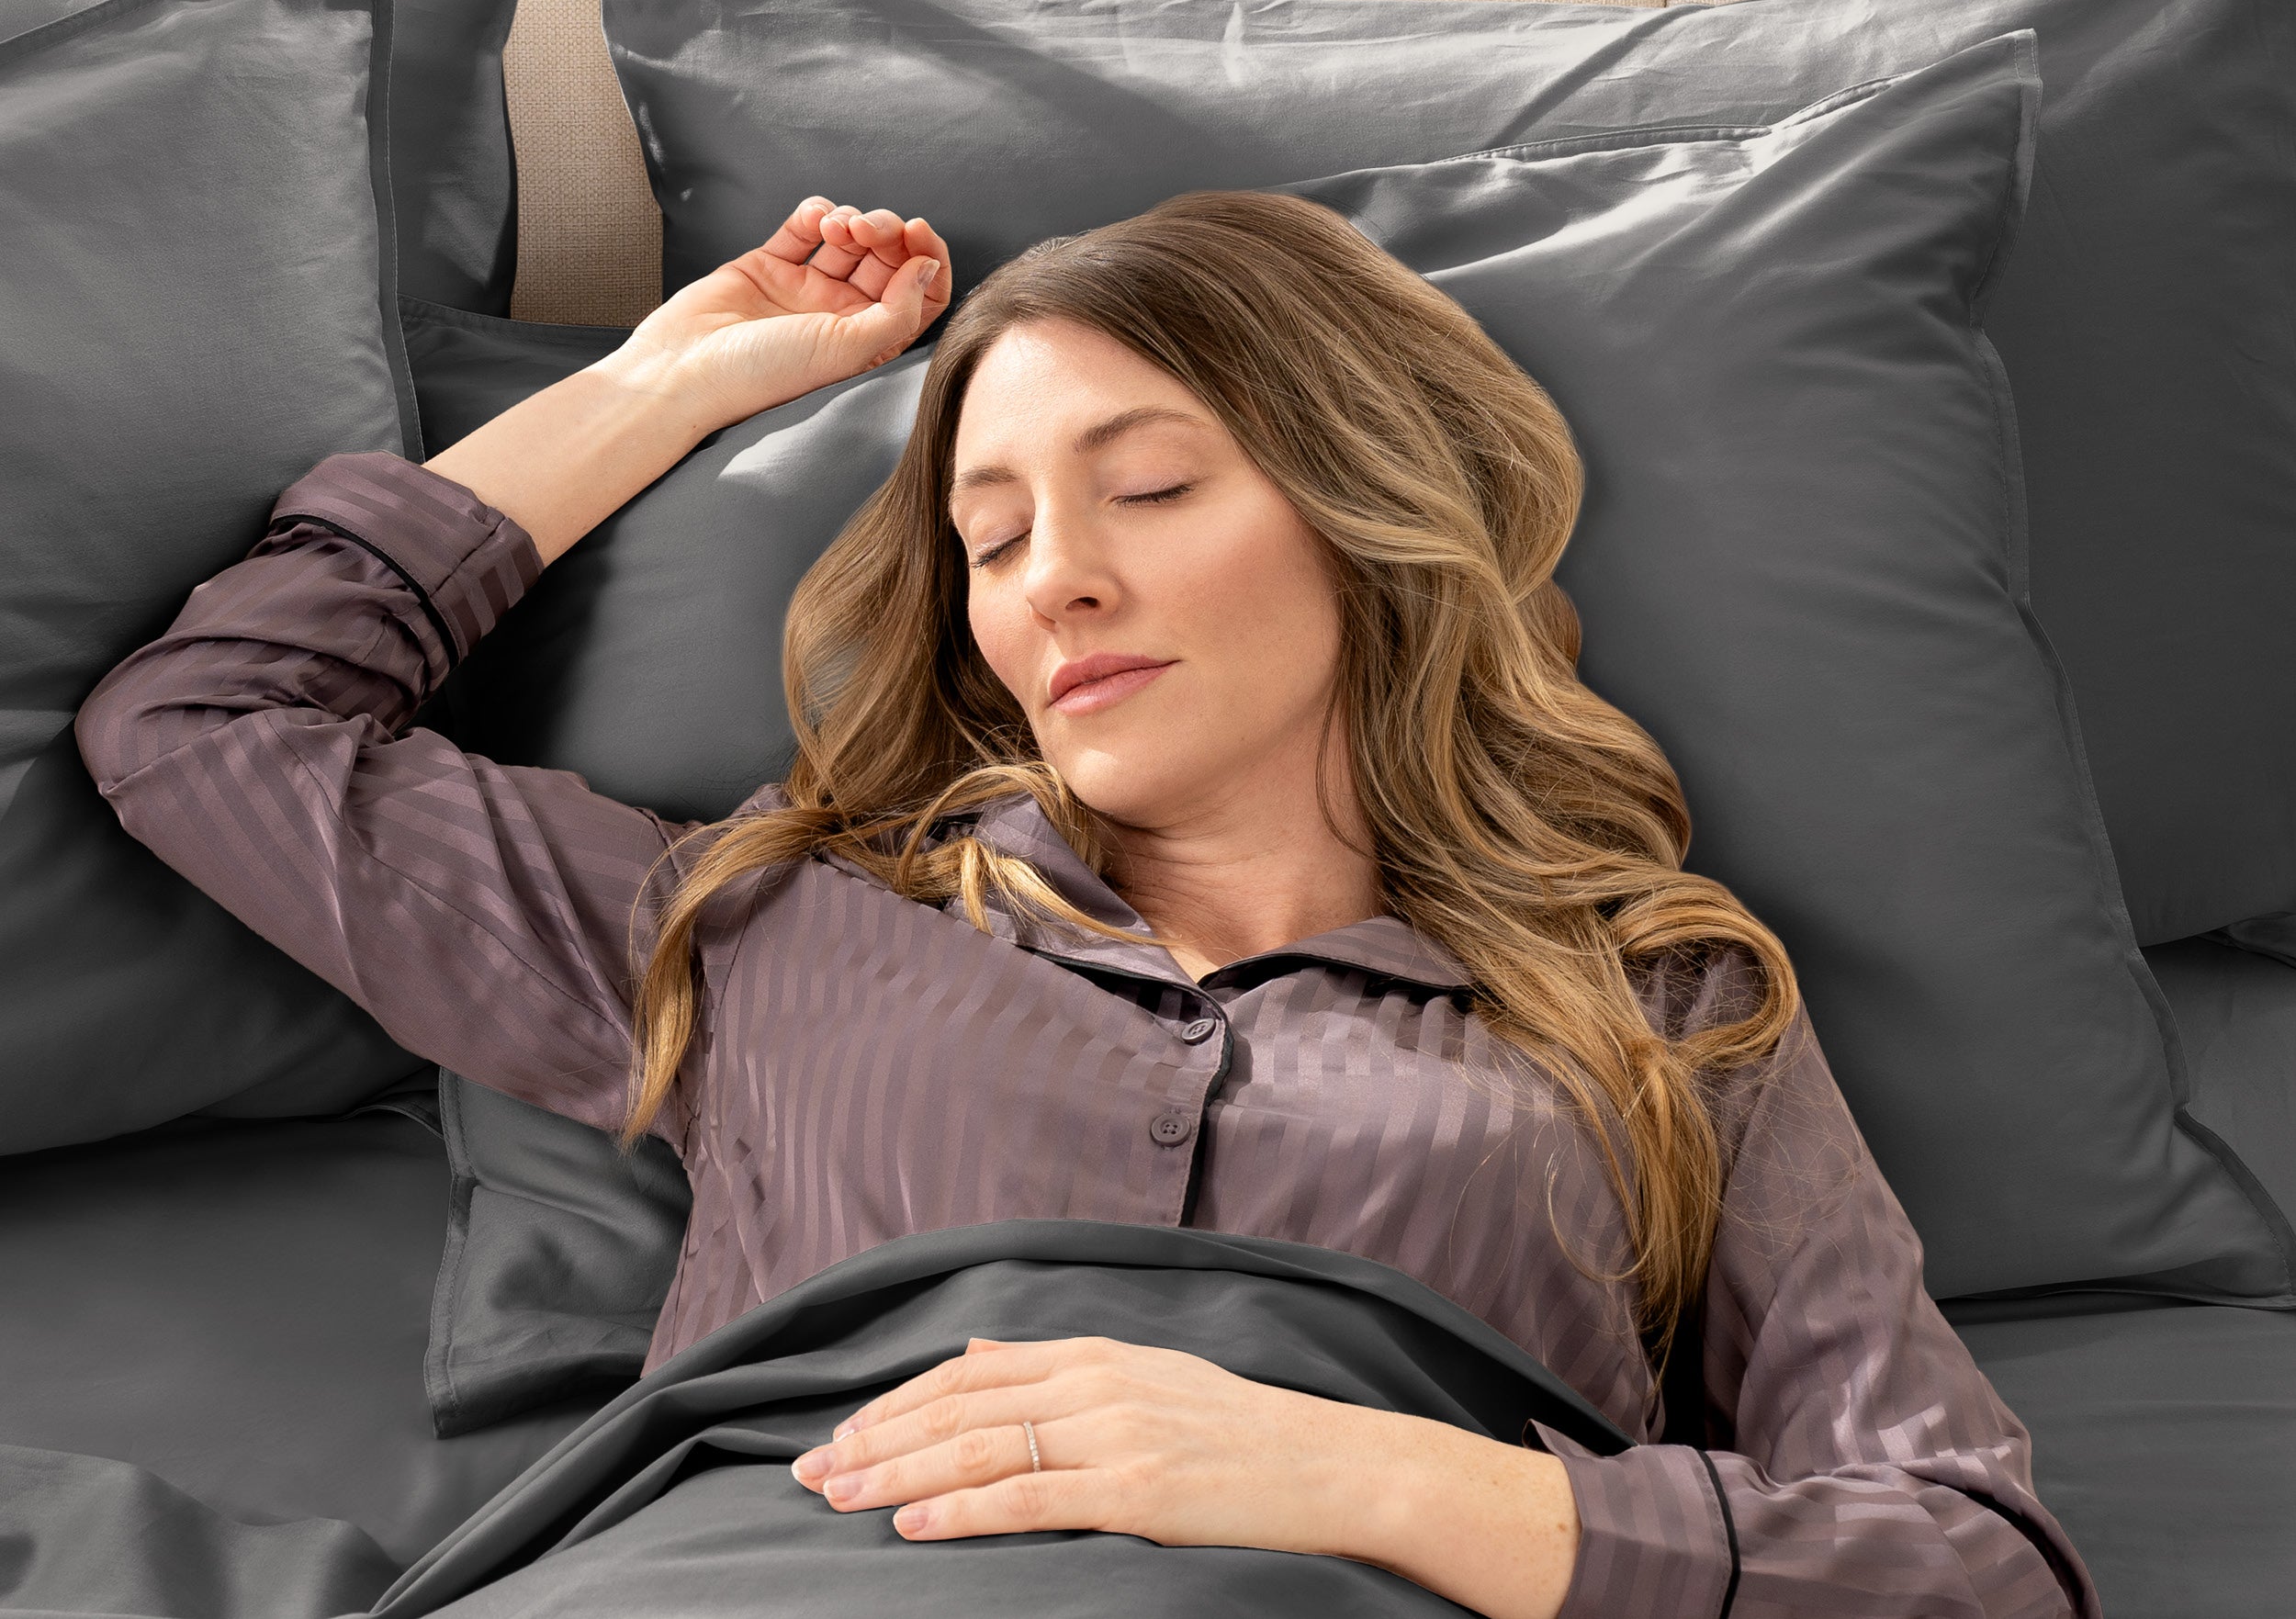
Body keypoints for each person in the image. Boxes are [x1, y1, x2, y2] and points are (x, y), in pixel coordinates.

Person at [78, 191, 2097, 1619]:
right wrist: (668, 379)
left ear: (1368, 511)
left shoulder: (1649, 1002)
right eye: (990, 534)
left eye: (1149, 488)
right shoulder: (772, 918)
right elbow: (206, 726)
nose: (1054, 576)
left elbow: (1968, 1554)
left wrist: (1377, 1476)